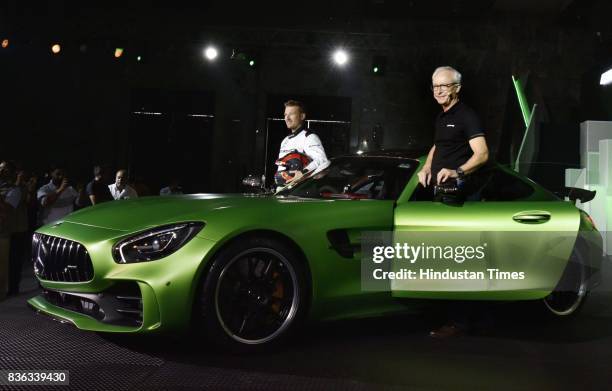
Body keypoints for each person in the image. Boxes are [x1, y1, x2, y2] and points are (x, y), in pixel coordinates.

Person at [416, 66, 489, 338]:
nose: (437, 91)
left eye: (443, 86)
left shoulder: (467, 115)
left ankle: (461, 322)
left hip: (462, 198)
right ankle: (454, 316)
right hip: (442, 195)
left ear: (457, 88)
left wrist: (457, 171)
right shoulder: (441, 116)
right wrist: (426, 167)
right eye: (434, 86)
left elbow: (482, 154)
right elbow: (438, 146)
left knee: (458, 260)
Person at [275, 100, 330, 187]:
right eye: (285, 115)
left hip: (299, 191)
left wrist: (303, 173)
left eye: (291, 114)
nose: (287, 118)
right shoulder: (285, 140)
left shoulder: (309, 137)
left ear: (302, 116)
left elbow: (322, 161)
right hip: (282, 190)